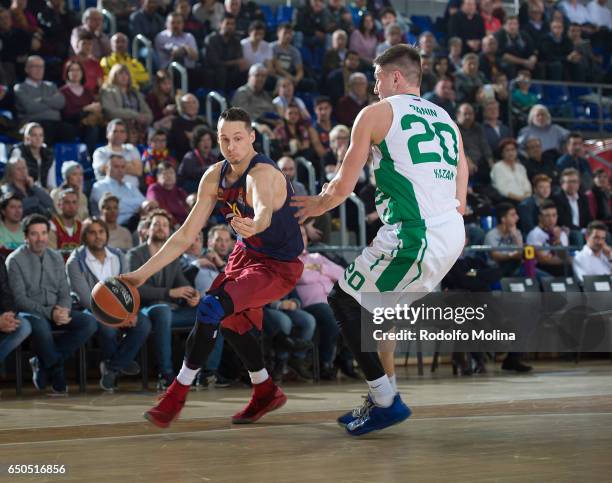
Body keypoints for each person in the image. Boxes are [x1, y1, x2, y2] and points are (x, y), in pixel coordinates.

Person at [292, 45, 468, 435]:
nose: (374, 87)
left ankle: (386, 399)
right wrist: (457, 209)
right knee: (380, 317)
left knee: (341, 298)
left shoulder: (375, 114)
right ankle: (383, 397)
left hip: (414, 234)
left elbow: (344, 183)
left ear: (395, 77)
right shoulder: (445, 117)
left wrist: (318, 204)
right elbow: (463, 167)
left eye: (376, 78)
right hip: (450, 233)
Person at [121, 107, 305, 428]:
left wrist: (256, 223)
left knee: (210, 308)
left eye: (237, 138)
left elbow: (262, 207)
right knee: (232, 322)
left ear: (252, 138)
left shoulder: (262, 174)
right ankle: (265, 391)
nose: (231, 146)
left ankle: (176, 395)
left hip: (277, 265)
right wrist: (139, 275)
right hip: (245, 254)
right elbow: (184, 237)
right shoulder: (214, 175)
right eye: (223, 139)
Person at [7, 214, 97, 393]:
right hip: (30, 312)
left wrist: (63, 310)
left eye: (43, 233)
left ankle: (42, 362)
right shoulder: (14, 260)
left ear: (49, 235)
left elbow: (65, 292)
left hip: (57, 310)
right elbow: (19, 299)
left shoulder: (56, 258)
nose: (40, 238)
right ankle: (56, 370)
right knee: (40, 326)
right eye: (34, 234)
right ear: (25, 237)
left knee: (90, 322)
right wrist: (50, 313)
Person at [66, 217, 151, 391]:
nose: (97, 236)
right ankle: (121, 364)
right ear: (84, 236)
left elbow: (129, 288)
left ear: (106, 234)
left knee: (144, 323)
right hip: (90, 309)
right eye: (92, 233)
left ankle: (112, 366)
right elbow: (84, 297)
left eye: (101, 232)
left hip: (121, 307)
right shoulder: (75, 261)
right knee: (107, 326)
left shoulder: (118, 255)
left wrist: (129, 313)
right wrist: (115, 317)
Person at [100, 64, 153, 145]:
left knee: (154, 132)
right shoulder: (108, 91)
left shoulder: (135, 92)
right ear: (113, 76)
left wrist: (145, 118)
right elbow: (110, 111)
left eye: (126, 74)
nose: (124, 76)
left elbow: (148, 112)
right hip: (119, 123)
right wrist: (134, 115)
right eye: (120, 74)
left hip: (138, 124)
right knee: (127, 129)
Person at [89, 154, 145, 228]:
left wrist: (123, 202)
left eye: (123, 167)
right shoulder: (99, 186)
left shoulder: (130, 186)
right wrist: (138, 206)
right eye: (116, 166)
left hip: (134, 225)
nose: (120, 170)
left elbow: (145, 204)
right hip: (108, 229)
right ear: (107, 168)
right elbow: (114, 208)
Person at [92, 118, 142, 188]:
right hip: (109, 192)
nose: (119, 134)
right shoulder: (100, 152)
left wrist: (114, 166)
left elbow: (138, 171)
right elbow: (104, 170)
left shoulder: (132, 149)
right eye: (115, 131)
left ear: (126, 135)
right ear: (107, 134)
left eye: (122, 131)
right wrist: (129, 165)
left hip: (132, 192)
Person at [526, 200, 570, 276]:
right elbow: (542, 260)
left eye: (554, 215)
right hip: (542, 268)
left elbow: (564, 256)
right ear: (540, 218)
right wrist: (562, 259)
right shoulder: (534, 234)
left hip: (560, 267)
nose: (551, 219)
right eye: (547, 216)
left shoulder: (561, 234)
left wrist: (558, 240)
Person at [490, 138, 532, 204]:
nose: (511, 153)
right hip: (508, 200)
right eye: (507, 150)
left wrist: (526, 197)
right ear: (502, 153)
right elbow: (501, 189)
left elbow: (527, 186)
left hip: (525, 199)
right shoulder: (498, 167)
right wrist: (519, 198)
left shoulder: (521, 167)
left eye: (513, 149)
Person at [178, 126, 218, 194]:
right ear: (197, 142)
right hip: (187, 192)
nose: (206, 143)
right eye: (202, 140)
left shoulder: (213, 157)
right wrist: (211, 168)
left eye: (208, 139)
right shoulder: (189, 157)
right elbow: (193, 173)